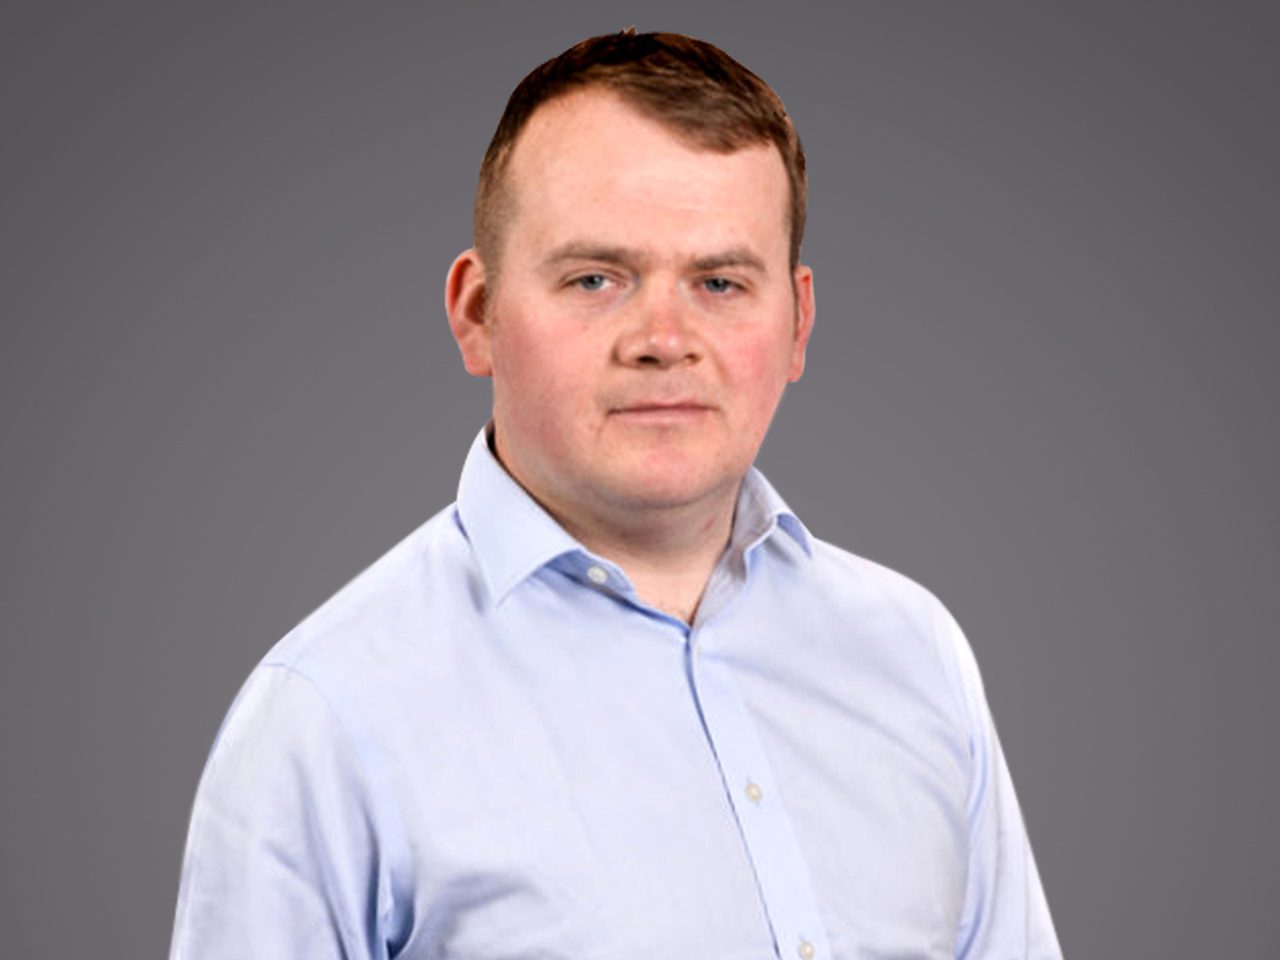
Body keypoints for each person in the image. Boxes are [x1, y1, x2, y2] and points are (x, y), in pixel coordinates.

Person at [169, 30, 1062, 960]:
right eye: (596, 278)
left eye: (720, 282)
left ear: (798, 322)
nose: (664, 339)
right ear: (478, 314)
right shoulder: (326, 718)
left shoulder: (913, 654)